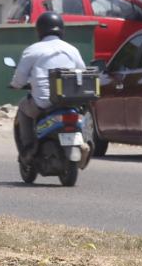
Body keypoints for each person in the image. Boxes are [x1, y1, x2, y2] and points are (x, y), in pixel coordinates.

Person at [9, 10, 87, 166]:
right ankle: (83, 143)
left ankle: (28, 148)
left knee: (23, 108)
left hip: (43, 103)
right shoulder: (72, 50)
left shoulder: (33, 50)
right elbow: (83, 72)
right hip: (70, 102)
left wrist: (15, 85)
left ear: (40, 30)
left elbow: (19, 78)